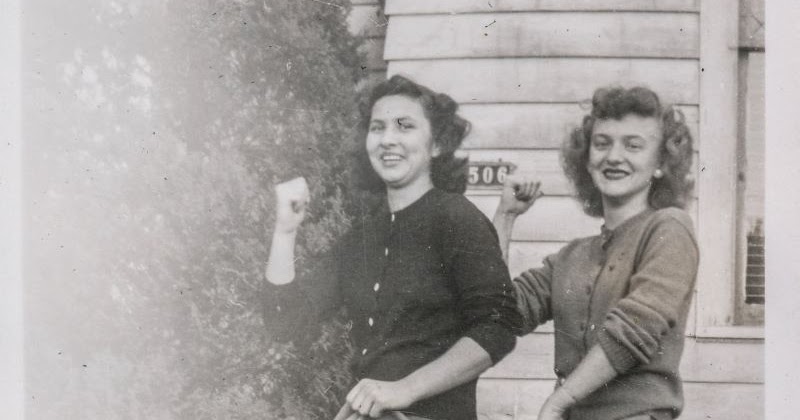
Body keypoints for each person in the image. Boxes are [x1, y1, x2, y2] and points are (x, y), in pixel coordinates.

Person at [263, 75, 522, 420]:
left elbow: (498, 328)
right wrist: (284, 230)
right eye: (378, 128)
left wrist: (403, 390)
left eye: (405, 126)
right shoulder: (359, 240)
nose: (387, 139)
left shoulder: (456, 218)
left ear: (437, 144)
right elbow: (286, 322)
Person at [494, 86, 698, 420]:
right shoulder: (572, 256)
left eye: (633, 145)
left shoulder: (669, 228)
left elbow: (634, 330)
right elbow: (499, 312)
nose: (614, 156)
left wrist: (559, 401)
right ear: (587, 161)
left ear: (661, 162)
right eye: (602, 144)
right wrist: (506, 216)